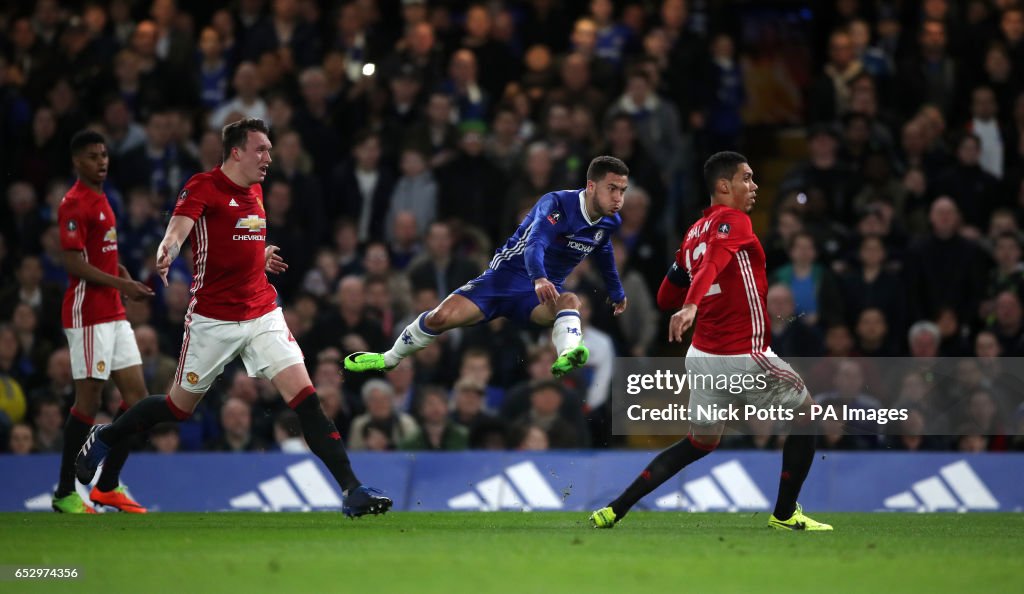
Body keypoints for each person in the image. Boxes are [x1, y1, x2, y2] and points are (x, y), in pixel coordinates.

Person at [77, 118, 391, 518]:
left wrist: (260, 257)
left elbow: (239, 242)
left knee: (307, 400)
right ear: (236, 152)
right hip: (213, 318)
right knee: (177, 408)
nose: (269, 157)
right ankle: (106, 434)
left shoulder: (257, 190)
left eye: (270, 150)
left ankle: (353, 490)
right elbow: (179, 229)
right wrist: (168, 248)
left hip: (262, 311)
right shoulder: (203, 186)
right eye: (261, 149)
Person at [591, 152, 832, 531]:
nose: (754, 187)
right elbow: (714, 262)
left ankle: (614, 509)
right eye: (747, 178)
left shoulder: (691, 234)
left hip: (702, 356)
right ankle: (785, 514)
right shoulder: (734, 221)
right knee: (807, 414)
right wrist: (691, 305)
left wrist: (686, 292)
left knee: (701, 441)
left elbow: (664, 296)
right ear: (724, 186)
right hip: (743, 352)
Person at [344, 156, 630, 379]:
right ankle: (389, 359)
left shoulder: (609, 222)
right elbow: (535, 243)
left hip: (537, 298)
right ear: (591, 186)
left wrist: (616, 290)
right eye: (612, 188)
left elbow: (602, 248)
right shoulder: (557, 203)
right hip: (501, 282)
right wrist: (540, 277)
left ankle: (568, 353)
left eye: (623, 191)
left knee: (571, 300)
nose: (619, 198)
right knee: (439, 318)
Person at [52, 130, 154, 515]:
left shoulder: (101, 198)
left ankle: (107, 485)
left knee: (138, 401)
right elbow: (73, 263)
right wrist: (121, 282)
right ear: (78, 162)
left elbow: (99, 254)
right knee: (89, 402)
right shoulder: (74, 203)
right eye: (94, 156)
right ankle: (65, 491)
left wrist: (119, 271)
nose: (102, 161)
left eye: (105, 154)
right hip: (88, 313)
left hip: (112, 310)